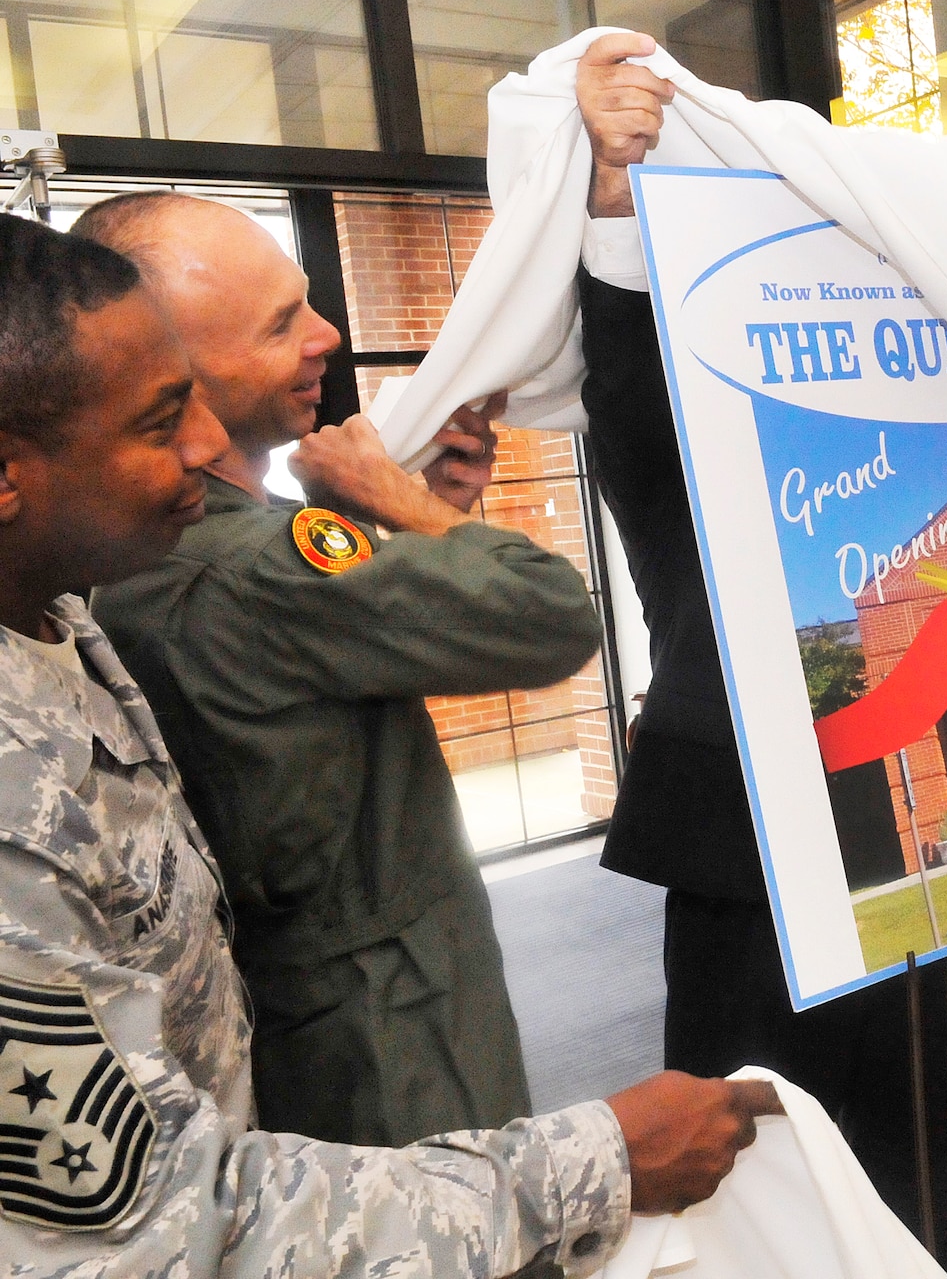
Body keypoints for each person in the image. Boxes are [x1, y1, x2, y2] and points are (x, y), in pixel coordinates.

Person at [0, 211, 781, 1271]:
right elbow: (148, 1223)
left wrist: (405, 522)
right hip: (377, 1037)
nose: (199, 445)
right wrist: (599, 1156)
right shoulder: (239, 563)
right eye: (160, 412)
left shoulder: (65, 610)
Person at [563, 31, 947, 1276]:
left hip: (901, 832)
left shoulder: (914, 392)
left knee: (906, 1158)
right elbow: (628, 412)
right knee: (750, 1157)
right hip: (747, 842)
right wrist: (621, 202)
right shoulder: (702, 397)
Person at [78, 192, 604, 1147]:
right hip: (389, 1016)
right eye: (281, 325)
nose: (326, 334)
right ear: (178, 377)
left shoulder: (154, 554)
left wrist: (418, 512)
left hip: (299, 1007)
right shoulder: (253, 562)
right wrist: (397, 498)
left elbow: (335, 643)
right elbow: (552, 615)